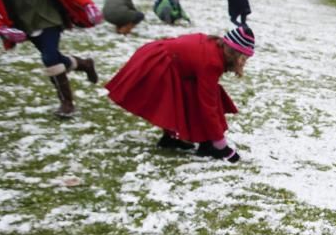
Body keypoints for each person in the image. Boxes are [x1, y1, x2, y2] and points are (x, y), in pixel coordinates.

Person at [105, 25, 254, 163]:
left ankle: (173, 138)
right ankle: (209, 145)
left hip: (163, 57)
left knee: (190, 93)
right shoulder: (212, 62)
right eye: (244, 58)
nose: (244, 63)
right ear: (234, 54)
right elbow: (208, 105)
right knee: (187, 99)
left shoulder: (214, 45)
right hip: (159, 64)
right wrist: (221, 145)